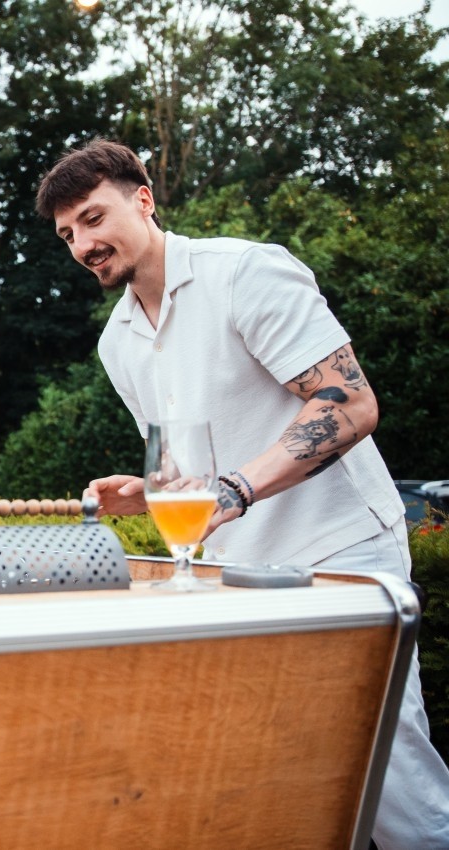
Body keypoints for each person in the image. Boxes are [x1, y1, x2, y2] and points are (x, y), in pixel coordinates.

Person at [34, 138, 449, 850]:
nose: (83, 244)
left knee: (390, 774)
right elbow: (192, 469)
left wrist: (232, 490)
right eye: (68, 234)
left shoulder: (245, 273)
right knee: (278, 776)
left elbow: (349, 404)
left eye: (94, 218)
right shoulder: (117, 344)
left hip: (340, 552)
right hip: (235, 575)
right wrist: (151, 492)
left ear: (144, 199)